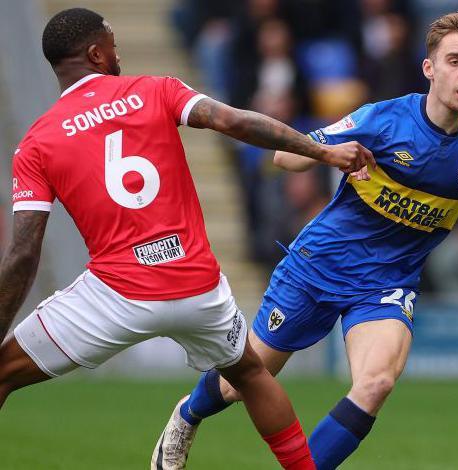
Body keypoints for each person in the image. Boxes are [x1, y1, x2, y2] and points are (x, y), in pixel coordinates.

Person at [156, 11, 458, 470]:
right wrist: (328, 153)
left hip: (385, 282)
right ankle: (187, 415)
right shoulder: (383, 120)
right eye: (455, 61)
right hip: (318, 266)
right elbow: (284, 157)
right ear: (430, 68)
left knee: (376, 382)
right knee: (245, 380)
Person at [0, 8, 373, 470]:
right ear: (96, 53)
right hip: (197, 287)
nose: (117, 51)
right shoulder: (157, 89)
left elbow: (22, 254)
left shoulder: (37, 143)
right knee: (252, 375)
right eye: (111, 42)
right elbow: (233, 122)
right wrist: (321, 150)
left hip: (115, 296)